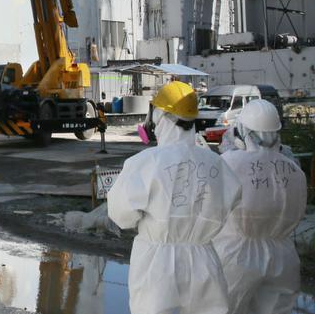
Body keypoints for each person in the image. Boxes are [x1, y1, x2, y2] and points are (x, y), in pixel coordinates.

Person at [107, 81, 242, 314]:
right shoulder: (216, 163)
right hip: (204, 259)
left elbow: (121, 216)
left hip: (156, 263)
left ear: (159, 115)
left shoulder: (145, 162)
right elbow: (232, 199)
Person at [213, 99, 305, 314]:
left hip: (237, 254)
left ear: (243, 131)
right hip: (283, 255)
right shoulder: (293, 168)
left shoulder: (229, 163)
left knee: (224, 308)